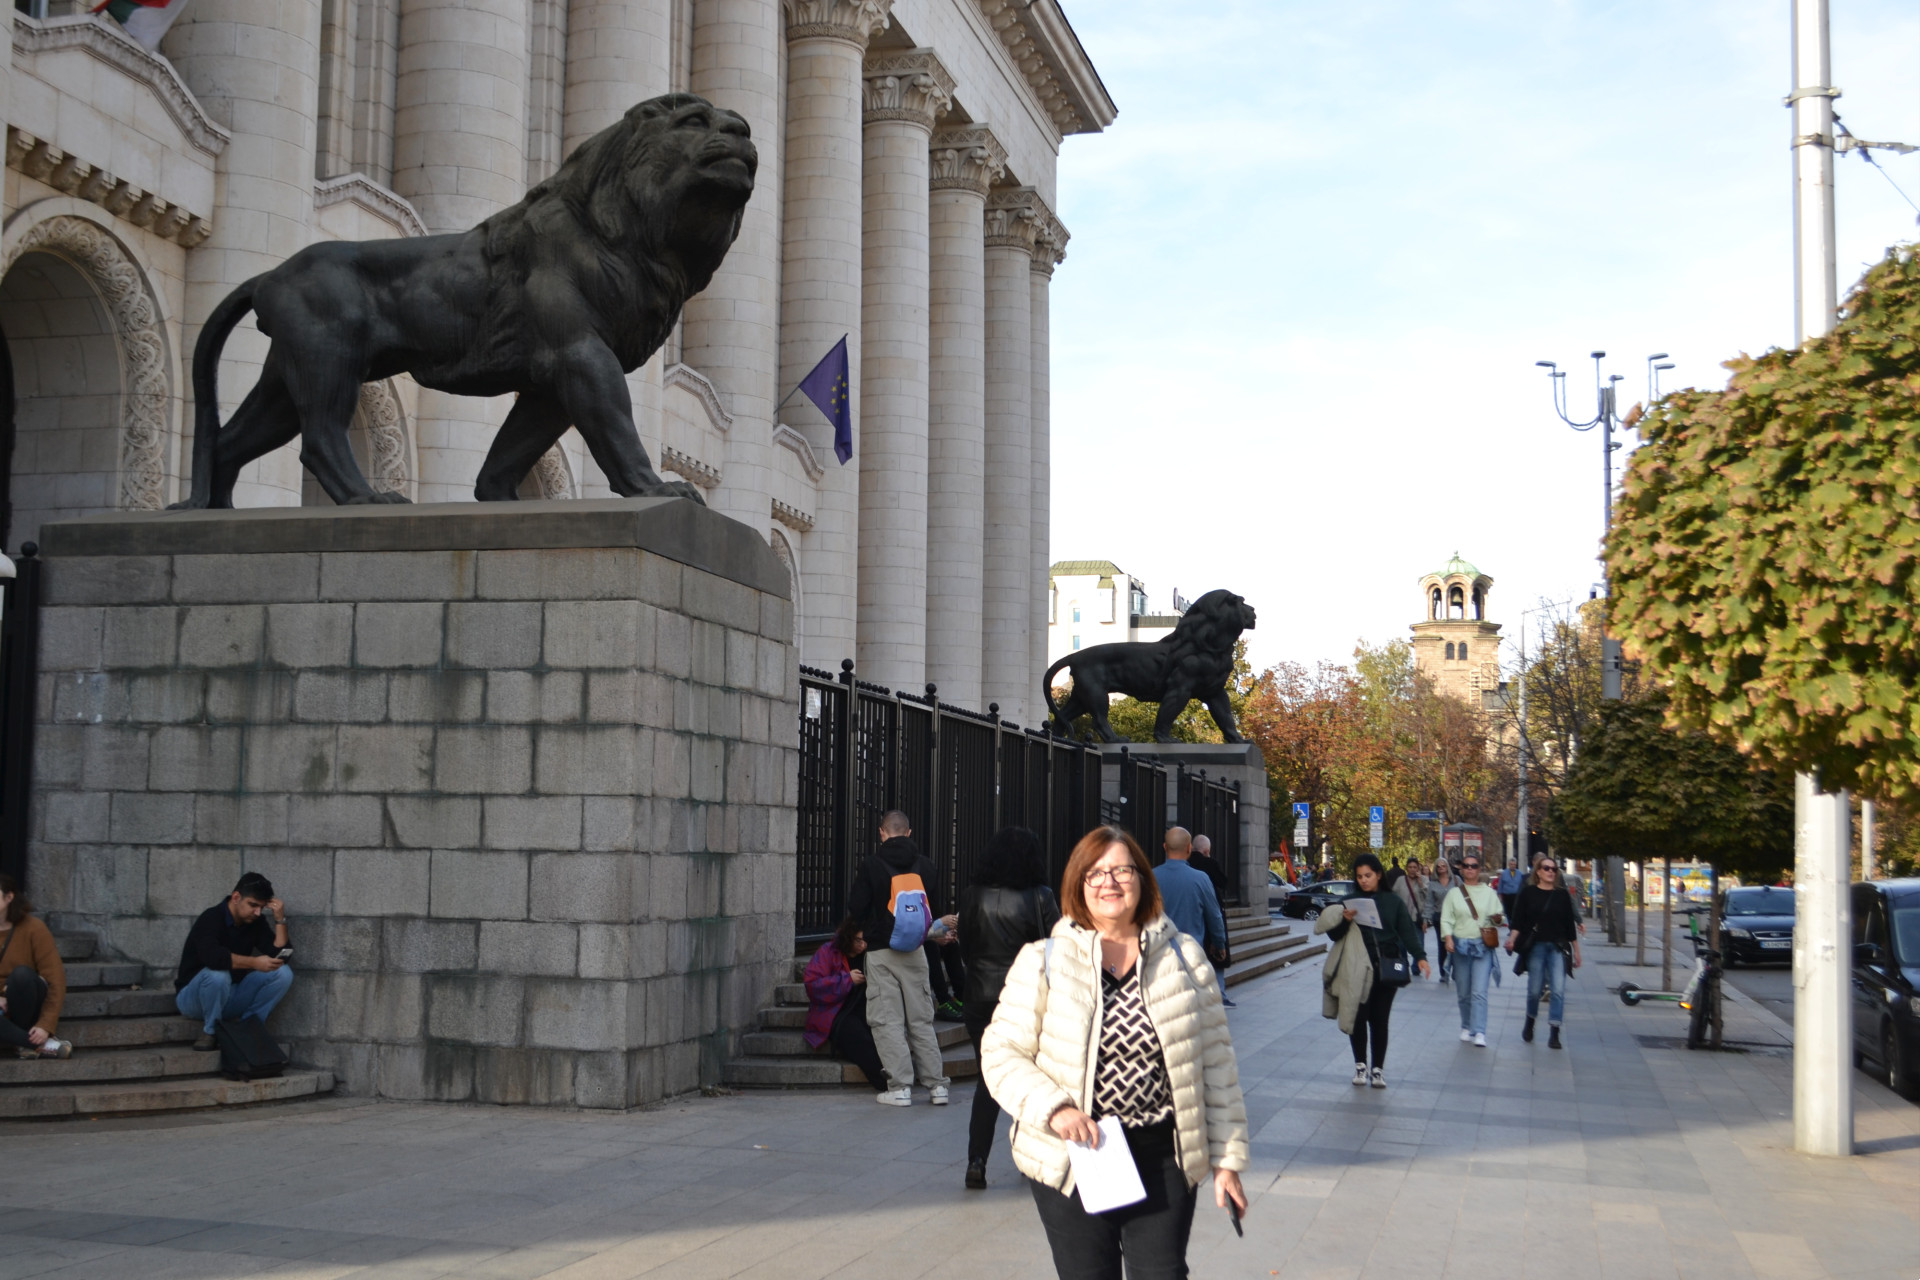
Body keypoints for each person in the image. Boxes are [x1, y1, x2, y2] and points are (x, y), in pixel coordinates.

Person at [983, 827, 1249, 1280]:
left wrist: (1227, 1160)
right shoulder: (1043, 959)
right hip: (1075, 1155)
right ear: (1077, 884)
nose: (1109, 882)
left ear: (1143, 878)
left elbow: (1216, 1065)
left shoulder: (1184, 957)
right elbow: (1000, 1052)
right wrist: (1055, 1109)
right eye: (1095, 873)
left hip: (1165, 1154)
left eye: (1121, 870)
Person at [958, 826, 1061, 1190]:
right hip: (1024, 997)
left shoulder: (972, 896)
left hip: (978, 994)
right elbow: (1055, 947)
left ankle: (977, 1159)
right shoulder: (1041, 896)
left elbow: (965, 947)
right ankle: (1027, 1156)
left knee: (988, 1080)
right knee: (1029, 1075)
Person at [846, 810, 951, 1106]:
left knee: (887, 1021)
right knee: (921, 1020)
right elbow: (935, 911)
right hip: (916, 951)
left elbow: (856, 906)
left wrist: (869, 928)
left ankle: (900, 1087)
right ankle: (937, 1086)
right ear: (908, 832)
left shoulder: (871, 865)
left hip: (881, 952)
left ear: (882, 832)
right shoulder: (926, 866)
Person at [1323, 854, 1428, 1087]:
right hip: (1357, 970)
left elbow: (1407, 932)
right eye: (1359, 876)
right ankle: (1360, 1066)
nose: (1364, 880)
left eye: (1368, 875)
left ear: (1379, 874)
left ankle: (1377, 1069)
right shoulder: (1349, 900)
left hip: (1386, 968)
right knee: (1358, 1017)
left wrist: (1420, 957)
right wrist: (1345, 920)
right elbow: (1334, 935)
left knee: (1380, 1020)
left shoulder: (1393, 902)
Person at [175, 872, 294, 1050]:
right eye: (253, 905)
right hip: (193, 999)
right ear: (236, 897)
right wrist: (254, 963)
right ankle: (210, 1031)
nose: (257, 912)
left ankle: (250, 1028)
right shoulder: (211, 917)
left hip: (231, 995)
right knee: (217, 974)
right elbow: (214, 958)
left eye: (262, 907)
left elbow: (282, 955)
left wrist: (280, 920)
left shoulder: (255, 921)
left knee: (283, 973)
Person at [1505, 857, 1584, 1048]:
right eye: (1546, 868)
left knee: (1557, 990)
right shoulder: (1528, 893)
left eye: (1554, 869)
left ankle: (1554, 1032)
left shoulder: (1562, 895)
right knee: (1534, 990)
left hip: (1557, 947)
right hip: (1536, 947)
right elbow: (1518, 921)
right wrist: (1512, 939)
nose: (1550, 872)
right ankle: (1530, 1021)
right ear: (1538, 872)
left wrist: (1577, 951)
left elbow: (1568, 926)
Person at [1152, 826, 1233, 1007]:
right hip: (1192, 957)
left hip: (1159, 957)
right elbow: (1214, 915)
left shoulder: (1151, 877)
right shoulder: (1201, 879)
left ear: (1165, 847)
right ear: (1189, 848)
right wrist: (1219, 943)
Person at [802, 917, 886, 1087]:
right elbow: (812, 986)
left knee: (883, 1032)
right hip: (836, 1013)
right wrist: (847, 980)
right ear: (849, 938)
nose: (863, 945)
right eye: (858, 941)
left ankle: (898, 1074)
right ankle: (885, 1081)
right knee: (859, 1039)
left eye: (865, 940)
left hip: (865, 1007)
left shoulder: (870, 954)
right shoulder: (828, 952)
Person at [0, 874, 71, 1059]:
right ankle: (33, 1044)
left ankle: (25, 1037)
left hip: (25, 1003)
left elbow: (56, 979)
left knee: (21, 975)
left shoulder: (33, 928)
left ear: (9, 897)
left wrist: (45, 1024)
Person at [1440, 855, 1504, 1046]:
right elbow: (1446, 918)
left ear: (1479, 869)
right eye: (1466, 866)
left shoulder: (1489, 893)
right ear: (1461, 869)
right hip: (1460, 947)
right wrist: (1449, 938)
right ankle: (1466, 1026)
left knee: (1479, 991)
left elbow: (1498, 917)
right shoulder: (1453, 894)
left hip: (1481, 947)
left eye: (1473, 866)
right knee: (1464, 992)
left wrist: (1497, 919)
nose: (1469, 869)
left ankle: (1479, 1031)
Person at [1187, 834, 1234, 989]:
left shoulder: (1186, 864)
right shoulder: (1209, 864)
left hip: (1191, 916)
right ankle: (1221, 992)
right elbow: (1224, 882)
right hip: (1210, 912)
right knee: (1216, 957)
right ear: (1206, 850)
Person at [1424, 858, 1455, 982]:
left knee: (1456, 945)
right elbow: (1429, 903)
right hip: (1440, 918)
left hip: (1455, 918)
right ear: (1436, 869)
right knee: (1442, 946)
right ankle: (1444, 973)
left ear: (1447, 867)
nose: (1441, 867)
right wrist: (1426, 920)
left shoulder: (1456, 880)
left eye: (1444, 865)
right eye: (1439, 866)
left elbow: (1466, 896)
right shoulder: (1433, 884)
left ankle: (1456, 971)